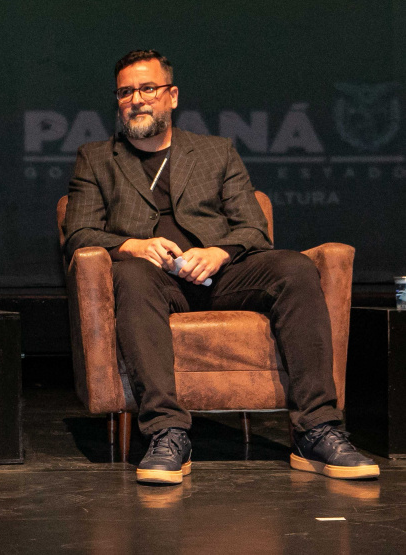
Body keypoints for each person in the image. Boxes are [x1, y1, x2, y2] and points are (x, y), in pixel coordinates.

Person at [63, 49, 379, 485]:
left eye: (148, 88)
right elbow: (78, 233)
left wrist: (219, 252)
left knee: (295, 268)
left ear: (172, 95)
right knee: (130, 277)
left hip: (223, 276)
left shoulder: (216, 152)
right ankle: (167, 433)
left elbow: (253, 228)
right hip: (154, 281)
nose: (136, 99)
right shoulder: (97, 158)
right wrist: (132, 245)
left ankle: (317, 430)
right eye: (125, 92)